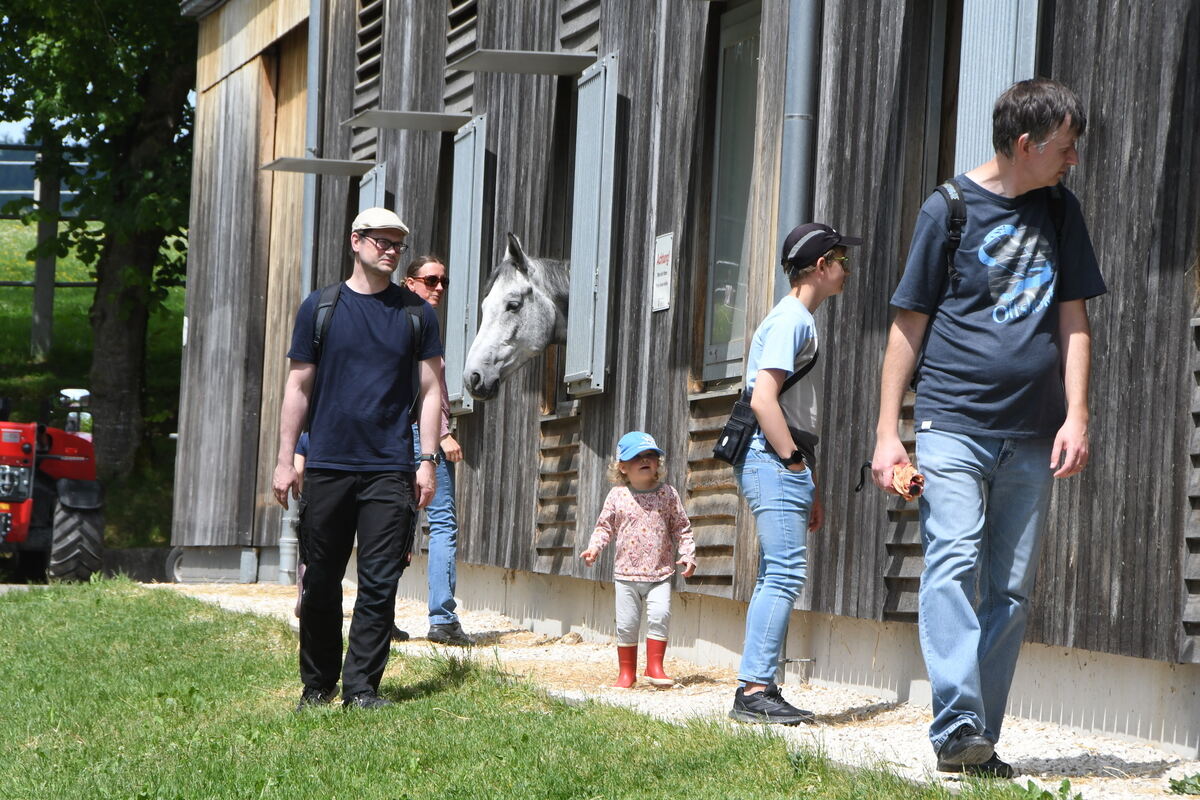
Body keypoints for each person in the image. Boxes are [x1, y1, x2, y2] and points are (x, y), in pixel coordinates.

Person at [870, 79, 1106, 778]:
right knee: (951, 563)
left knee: (1008, 589)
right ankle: (958, 725)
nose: (1073, 161)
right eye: (1066, 148)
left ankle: (977, 746)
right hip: (953, 422)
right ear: (1026, 145)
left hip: (1034, 432)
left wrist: (1078, 414)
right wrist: (889, 434)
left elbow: (1074, 320)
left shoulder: (1061, 212)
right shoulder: (947, 210)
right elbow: (907, 327)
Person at [273, 207, 443, 711]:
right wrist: (286, 460)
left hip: (389, 468)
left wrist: (427, 459)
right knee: (321, 579)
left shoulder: (417, 314)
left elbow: (433, 390)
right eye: (380, 241)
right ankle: (317, 684)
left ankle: (362, 690)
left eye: (397, 244)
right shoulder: (320, 308)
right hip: (326, 464)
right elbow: (297, 387)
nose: (389, 250)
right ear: (356, 241)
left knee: (380, 580)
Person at [728, 222, 861, 725]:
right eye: (842, 260)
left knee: (774, 573)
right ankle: (754, 690)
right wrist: (791, 462)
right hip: (771, 456)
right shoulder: (792, 322)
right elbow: (764, 400)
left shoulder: (795, 319)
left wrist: (810, 482)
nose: (847, 269)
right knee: (783, 573)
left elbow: (793, 410)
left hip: (778, 457)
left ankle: (759, 684)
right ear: (821, 266)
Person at [580, 431, 696, 688]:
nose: (645, 460)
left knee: (660, 615)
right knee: (627, 624)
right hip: (626, 575)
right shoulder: (618, 495)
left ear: (658, 464)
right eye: (637, 457)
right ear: (622, 467)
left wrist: (687, 554)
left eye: (650, 456)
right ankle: (626, 673)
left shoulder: (668, 494)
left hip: (660, 573)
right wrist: (594, 548)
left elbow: (681, 528)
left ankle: (655, 667)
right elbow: (604, 527)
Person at [402, 256, 470, 647]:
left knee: (397, 523)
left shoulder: (401, 319)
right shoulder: (416, 322)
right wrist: (442, 433)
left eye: (443, 280)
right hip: (422, 437)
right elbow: (424, 388)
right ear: (411, 282)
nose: (439, 287)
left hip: (399, 436)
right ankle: (442, 619)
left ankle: (381, 616)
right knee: (441, 523)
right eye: (430, 280)